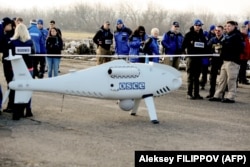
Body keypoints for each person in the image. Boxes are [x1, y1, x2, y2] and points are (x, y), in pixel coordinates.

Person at [209, 21, 244, 103]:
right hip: (225, 61)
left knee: (231, 80)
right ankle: (218, 95)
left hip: (233, 61)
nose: (227, 27)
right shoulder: (227, 35)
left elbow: (237, 48)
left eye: (229, 26)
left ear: (234, 27)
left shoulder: (237, 36)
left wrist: (224, 46)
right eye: (226, 26)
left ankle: (231, 97)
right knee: (222, 79)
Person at [9, 23, 35, 120]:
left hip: (17, 70)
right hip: (29, 69)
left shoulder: (13, 43)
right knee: (28, 88)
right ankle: (28, 109)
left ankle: (17, 110)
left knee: (18, 89)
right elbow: (34, 53)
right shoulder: (30, 42)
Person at [182, 19, 208, 100]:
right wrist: (186, 54)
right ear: (194, 25)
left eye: (200, 25)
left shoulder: (202, 35)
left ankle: (196, 94)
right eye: (197, 25)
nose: (198, 27)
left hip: (199, 59)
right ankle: (189, 93)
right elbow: (183, 46)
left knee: (197, 77)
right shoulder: (188, 35)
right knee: (190, 76)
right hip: (191, 58)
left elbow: (205, 47)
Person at [0, 17, 14, 113]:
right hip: (6, 62)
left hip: (10, 63)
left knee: (11, 83)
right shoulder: (6, 35)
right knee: (9, 82)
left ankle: (11, 104)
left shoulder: (10, 36)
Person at [206, 25, 224, 98]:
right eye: (216, 30)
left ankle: (221, 94)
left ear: (222, 31)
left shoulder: (225, 39)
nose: (217, 32)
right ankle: (211, 93)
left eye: (219, 31)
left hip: (222, 61)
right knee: (212, 78)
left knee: (222, 78)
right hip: (214, 61)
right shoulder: (212, 40)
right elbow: (207, 48)